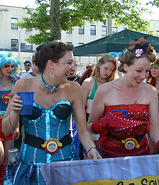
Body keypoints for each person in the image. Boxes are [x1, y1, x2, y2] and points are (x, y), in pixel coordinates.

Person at [2, 40, 101, 184]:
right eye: (68, 62)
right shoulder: (24, 85)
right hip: (31, 165)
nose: (73, 67)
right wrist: (15, 112)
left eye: (74, 63)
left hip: (65, 164)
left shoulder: (73, 88)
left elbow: (82, 129)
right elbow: (6, 130)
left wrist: (91, 148)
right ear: (51, 64)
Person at [87, 37, 159, 158]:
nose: (143, 76)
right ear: (125, 66)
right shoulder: (104, 90)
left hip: (141, 156)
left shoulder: (150, 91)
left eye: (147, 71)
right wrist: (103, 123)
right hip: (109, 157)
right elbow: (89, 127)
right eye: (139, 70)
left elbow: (154, 131)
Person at [82, 55, 117, 141]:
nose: (107, 72)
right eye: (106, 68)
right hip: (90, 124)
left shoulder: (113, 84)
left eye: (111, 70)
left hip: (108, 127)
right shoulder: (88, 82)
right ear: (99, 65)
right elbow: (80, 107)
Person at [0, 52, 21, 183]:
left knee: (8, 158)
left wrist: (17, 126)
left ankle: (4, 181)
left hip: (9, 122)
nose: (9, 69)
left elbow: (17, 107)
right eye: (6, 66)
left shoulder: (16, 83)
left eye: (12, 66)